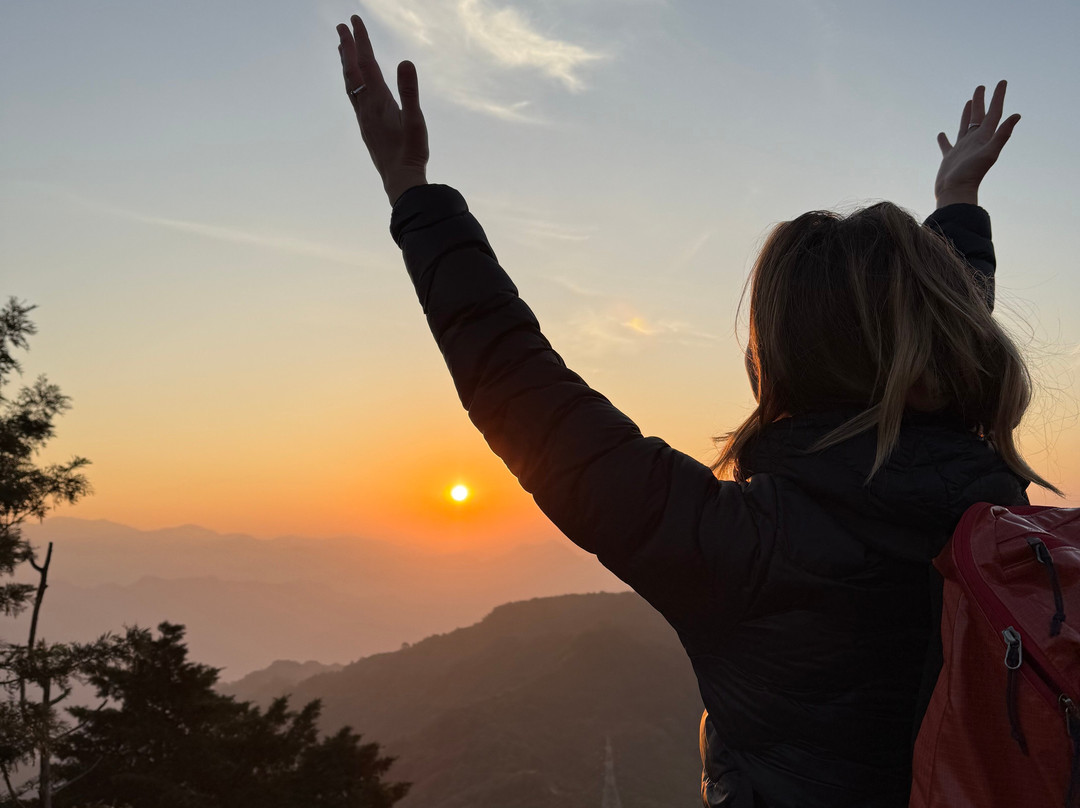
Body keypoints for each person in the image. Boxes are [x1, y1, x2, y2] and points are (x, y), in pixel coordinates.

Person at [335, 15, 1057, 807]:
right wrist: (957, 206)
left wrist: (411, 191)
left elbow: (522, 387)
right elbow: (947, 346)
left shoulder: (741, 549)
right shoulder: (995, 518)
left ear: (779, 357)